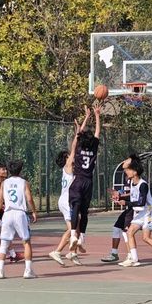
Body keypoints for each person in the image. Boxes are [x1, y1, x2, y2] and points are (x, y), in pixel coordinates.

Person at [116, 155, 152, 268]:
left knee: (146, 237)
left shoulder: (143, 185)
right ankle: (134, 259)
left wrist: (126, 203)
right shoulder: (132, 182)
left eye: (128, 170)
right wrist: (121, 197)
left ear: (135, 172)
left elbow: (141, 203)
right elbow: (134, 197)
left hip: (149, 212)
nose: (126, 171)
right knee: (129, 233)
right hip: (140, 213)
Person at [49, 107, 90, 267]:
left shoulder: (72, 169)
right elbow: (75, 144)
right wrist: (83, 123)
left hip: (68, 199)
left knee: (76, 228)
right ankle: (57, 251)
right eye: (70, 155)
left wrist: (81, 126)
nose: (72, 156)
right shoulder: (68, 166)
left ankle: (72, 253)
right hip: (67, 200)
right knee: (73, 228)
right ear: (66, 158)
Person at [0, 160, 37, 279]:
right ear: (20, 170)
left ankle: (0, 271)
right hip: (20, 214)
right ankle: (28, 271)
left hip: (7, 214)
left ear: (9, 170)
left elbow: (0, 200)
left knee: (4, 244)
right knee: (26, 242)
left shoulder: (4, 183)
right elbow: (29, 199)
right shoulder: (24, 182)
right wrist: (34, 211)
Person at [68, 104, 101, 255]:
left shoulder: (78, 148)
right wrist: (97, 115)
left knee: (75, 208)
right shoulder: (93, 149)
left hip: (78, 180)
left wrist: (87, 116)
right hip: (88, 181)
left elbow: (79, 134)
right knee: (84, 212)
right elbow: (97, 132)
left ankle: (73, 235)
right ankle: (82, 238)